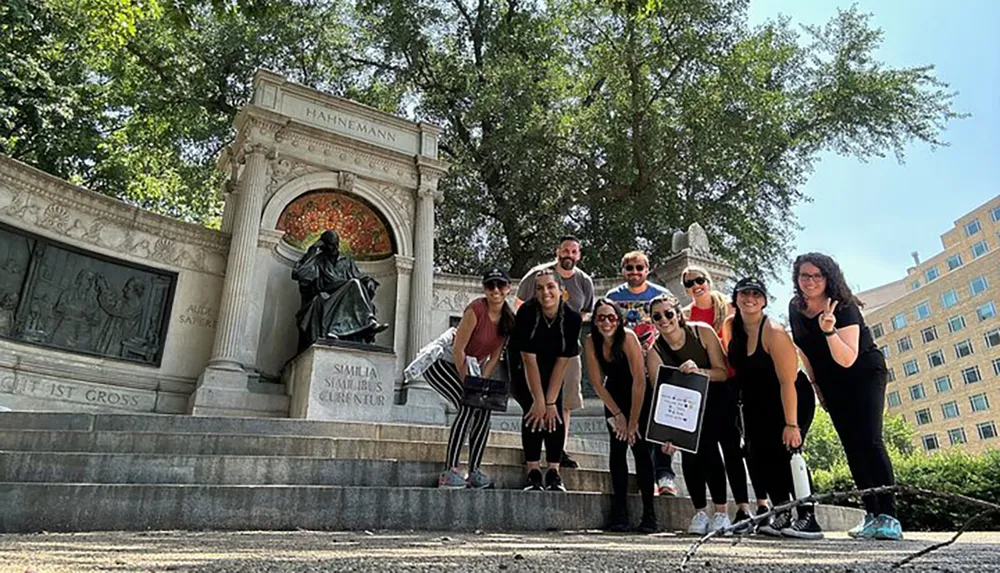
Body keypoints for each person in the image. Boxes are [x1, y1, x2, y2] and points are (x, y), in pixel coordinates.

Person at [788, 253, 902, 541]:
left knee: (870, 441)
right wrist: (817, 387)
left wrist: (829, 331)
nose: (810, 281)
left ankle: (889, 515)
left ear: (828, 278)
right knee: (851, 446)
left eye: (817, 275)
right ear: (797, 278)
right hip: (831, 382)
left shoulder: (844, 307)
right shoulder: (796, 306)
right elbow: (804, 351)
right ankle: (871, 513)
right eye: (805, 276)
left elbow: (848, 358)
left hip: (863, 374)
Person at [725, 277, 821, 539]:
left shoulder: (774, 332)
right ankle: (781, 511)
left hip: (789, 396)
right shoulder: (731, 326)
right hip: (757, 400)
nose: (750, 299)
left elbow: (787, 381)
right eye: (744, 293)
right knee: (759, 455)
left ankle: (807, 516)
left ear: (765, 300)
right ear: (735, 298)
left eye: (756, 294)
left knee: (788, 452)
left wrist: (792, 425)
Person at [645, 295, 733, 535]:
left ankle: (722, 512)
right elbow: (659, 396)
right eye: (657, 316)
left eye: (668, 314)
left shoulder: (702, 332)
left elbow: (722, 372)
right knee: (690, 456)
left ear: (678, 314)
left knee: (709, 451)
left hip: (714, 401)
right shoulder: (655, 352)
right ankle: (700, 511)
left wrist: (698, 371)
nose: (664, 320)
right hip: (683, 411)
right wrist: (666, 434)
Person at [425, 268, 516, 489]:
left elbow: (495, 356)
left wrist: (481, 384)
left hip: (471, 368)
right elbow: (459, 349)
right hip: (442, 365)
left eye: (500, 285)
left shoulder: (507, 318)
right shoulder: (476, 309)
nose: (495, 290)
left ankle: (474, 470)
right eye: (490, 286)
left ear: (508, 289)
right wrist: (468, 383)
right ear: (484, 289)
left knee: (483, 408)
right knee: (467, 406)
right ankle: (450, 471)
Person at [680, 266, 756, 527]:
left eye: (700, 280)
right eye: (689, 283)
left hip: (731, 383)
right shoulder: (685, 316)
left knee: (732, 447)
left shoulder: (728, 308)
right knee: (708, 450)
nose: (696, 286)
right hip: (703, 386)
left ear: (709, 281)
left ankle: (744, 508)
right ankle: (717, 509)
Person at [516, 235, 595, 469]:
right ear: (557, 251)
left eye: (573, 252)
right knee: (534, 399)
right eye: (565, 250)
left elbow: (587, 312)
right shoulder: (538, 274)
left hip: (567, 350)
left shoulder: (584, 281)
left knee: (565, 401)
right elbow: (520, 304)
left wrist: (566, 328)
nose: (569, 255)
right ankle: (531, 453)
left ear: (578, 255)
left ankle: (558, 450)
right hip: (534, 350)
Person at [605, 250, 677, 497]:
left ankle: (665, 474)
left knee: (658, 422)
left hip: (655, 364)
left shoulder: (661, 295)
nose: (634, 272)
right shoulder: (613, 297)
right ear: (623, 271)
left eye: (639, 268)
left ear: (648, 269)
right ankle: (643, 479)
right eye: (630, 268)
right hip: (624, 369)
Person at [583, 298, 657, 533]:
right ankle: (620, 513)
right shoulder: (590, 341)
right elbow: (596, 382)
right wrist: (618, 415)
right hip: (613, 397)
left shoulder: (628, 337)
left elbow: (639, 380)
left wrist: (633, 421)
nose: (606, 322)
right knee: (617, 452)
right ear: (595, 321)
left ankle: (649, 514)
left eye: (611, 317)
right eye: (601, 318)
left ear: (619, 319)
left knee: (641, 450)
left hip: (637, 396)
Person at [511, 267, 583, 492]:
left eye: (551, 287)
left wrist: (550, 402)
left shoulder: (572, 318)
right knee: (533, 411)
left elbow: (563, 361)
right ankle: (532, 471)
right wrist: (539, 400)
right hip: (522, 366)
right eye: (540, 288)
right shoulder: (527, 313)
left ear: (562, 290)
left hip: (554, 366)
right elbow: (528, 360)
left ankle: (554, 471)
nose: (545, 293)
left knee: (555, 411)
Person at [291, 230, 389, 350]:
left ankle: (336, 329)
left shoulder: (346, 262)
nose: (335, 247)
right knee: (353, 283)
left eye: (336, 244)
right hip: (328, 295)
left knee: (355, 283)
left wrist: (369, 282)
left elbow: (359, 276)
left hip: (346, 295)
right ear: (323, 245)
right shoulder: (318, 260)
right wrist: (312, 251)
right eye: (331, 244)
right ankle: (368, 322)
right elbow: (301, 275)